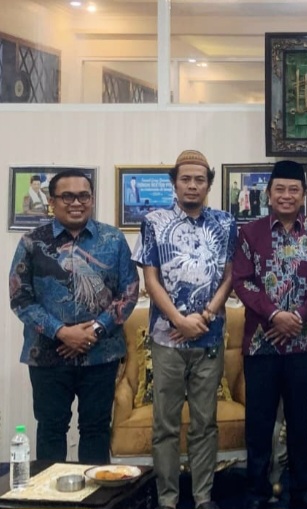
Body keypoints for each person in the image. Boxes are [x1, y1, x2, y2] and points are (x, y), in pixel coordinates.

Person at [9, 169, 139, 463]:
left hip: (101, 354)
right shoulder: (32, 242)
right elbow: (20, 298)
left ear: (91, 199)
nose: (76, 203)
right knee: (51, 430)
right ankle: (49, 491)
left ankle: (95, 491)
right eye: (67, 196)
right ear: (52, 201)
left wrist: (95, 331)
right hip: (48, 354)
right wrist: (61, 332)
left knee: (96, 429)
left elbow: (129, 291)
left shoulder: (113, 239)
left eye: (83, 196)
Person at [132, 149, 236, 509]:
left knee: (205, 423)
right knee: (166, 425)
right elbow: (150, 278)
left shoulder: (225, 222)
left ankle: (203, 496)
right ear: (174, 183)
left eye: (199, 180)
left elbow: (229, 276)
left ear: (209, 184)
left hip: (210, 337)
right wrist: (178, 319)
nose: (193, 185)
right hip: (167, 340)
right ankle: (168, 499)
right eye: (186, 179)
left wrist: (204, 316)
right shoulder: (154, 221)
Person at [232, 160, 307, 509]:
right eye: (280, 189)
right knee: (259, 421)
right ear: (269, 193)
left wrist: (298, 317)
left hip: (303, 343)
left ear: (304, 194)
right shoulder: (250, 233)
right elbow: (242, 281)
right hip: (261, 344)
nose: (286, 195)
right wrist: (275, 315)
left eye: (294, 189)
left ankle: (303, 488)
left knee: (299, 419)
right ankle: (256, 490)